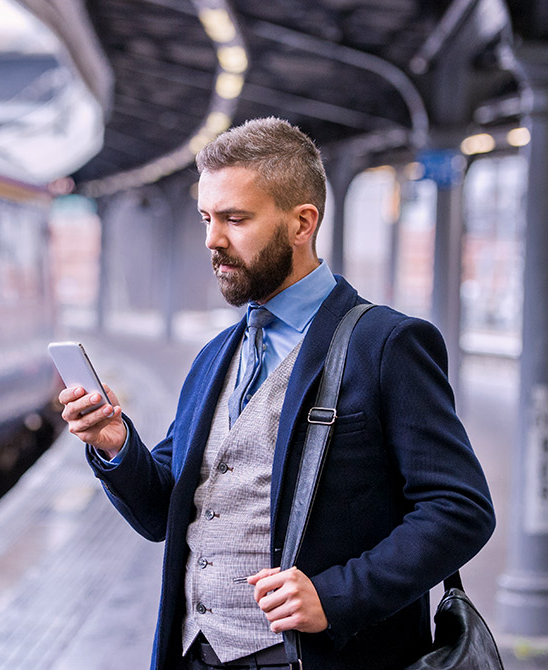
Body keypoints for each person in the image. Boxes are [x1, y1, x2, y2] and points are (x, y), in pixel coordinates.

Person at [59, 117, 495, 670]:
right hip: (195, 654)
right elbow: (160, 515)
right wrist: (115, 443)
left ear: (302, 223)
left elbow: (460, 508)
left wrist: (338, 595)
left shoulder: (386, 345)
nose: (213, 239)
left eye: (235, 219)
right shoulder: (214, 356)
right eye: (206, 218)